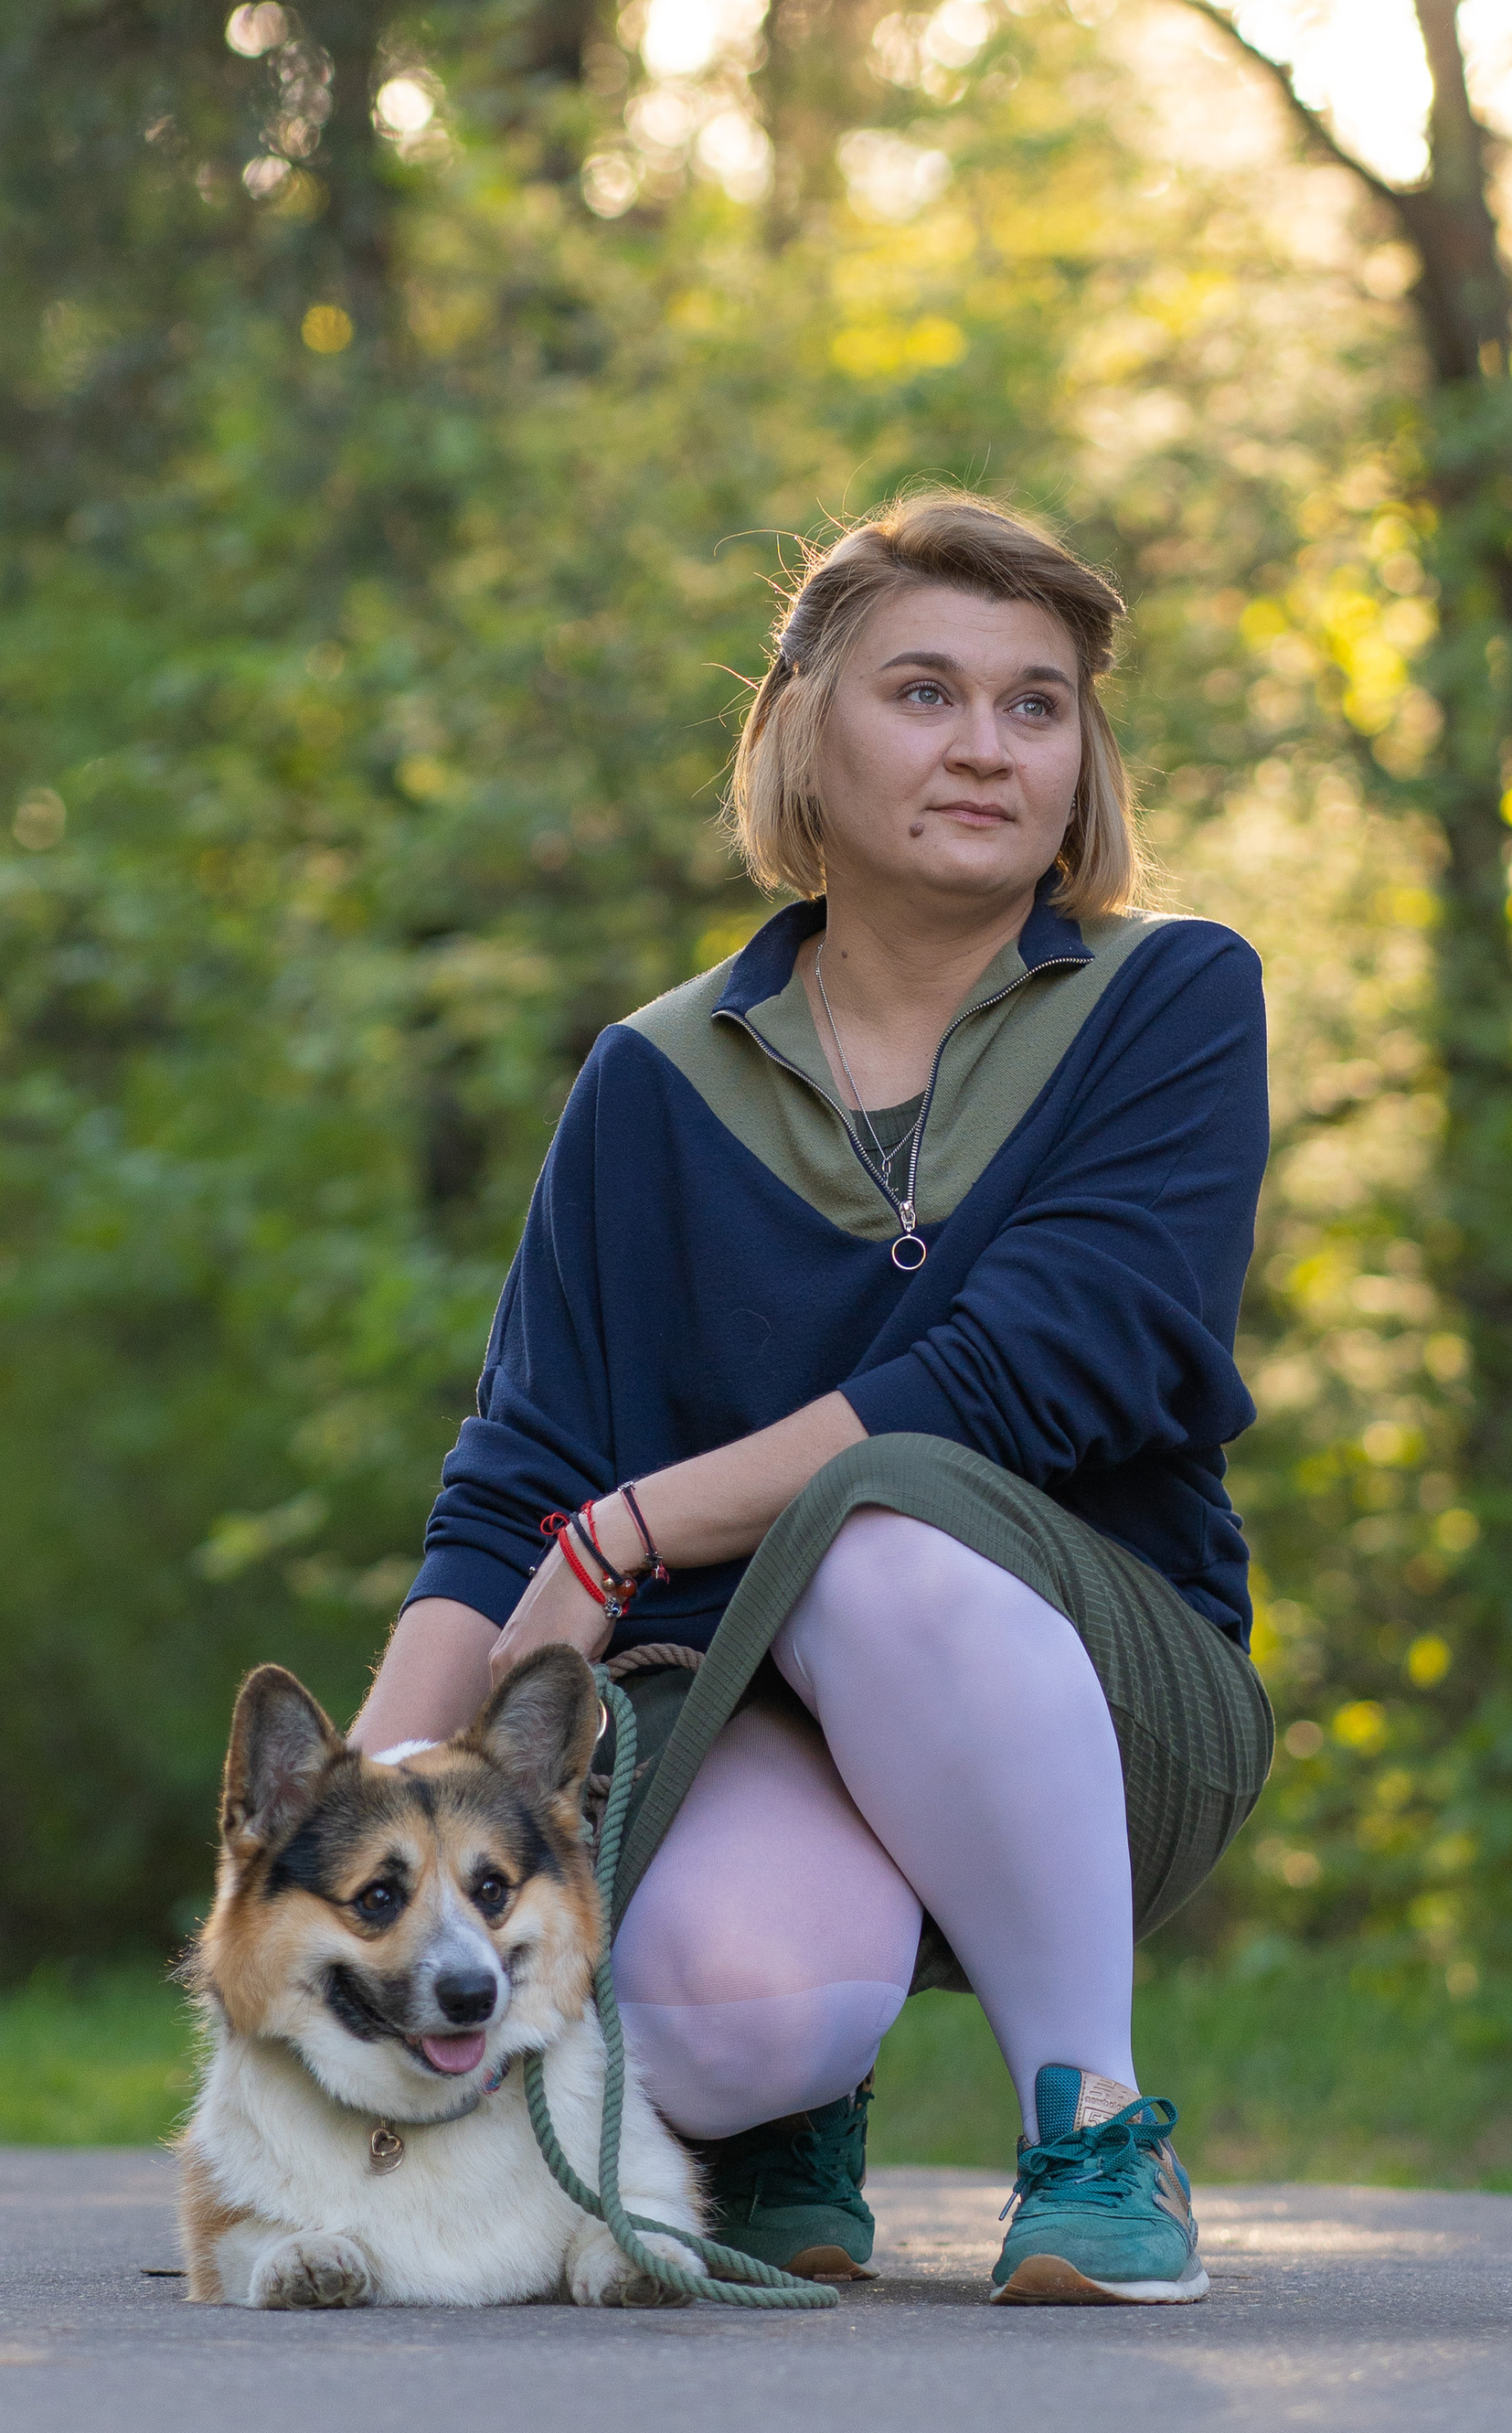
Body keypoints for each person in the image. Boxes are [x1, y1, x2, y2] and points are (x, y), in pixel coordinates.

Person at [351, 492, 1272, 2304]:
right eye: (923, 693)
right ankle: (798, 2113)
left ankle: (1090, 2128)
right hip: (756, 1722)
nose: (986, 748)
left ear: (1082, 761)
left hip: (1107, 1700)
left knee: (879, 1534)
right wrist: (358, 1819)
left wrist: (632, 1531)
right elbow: (511, 1481)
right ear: (801, 729)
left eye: (1037, 705)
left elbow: (1034, 1366)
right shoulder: (651, 1081)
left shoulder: (1172, 998)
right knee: (710, 2018)